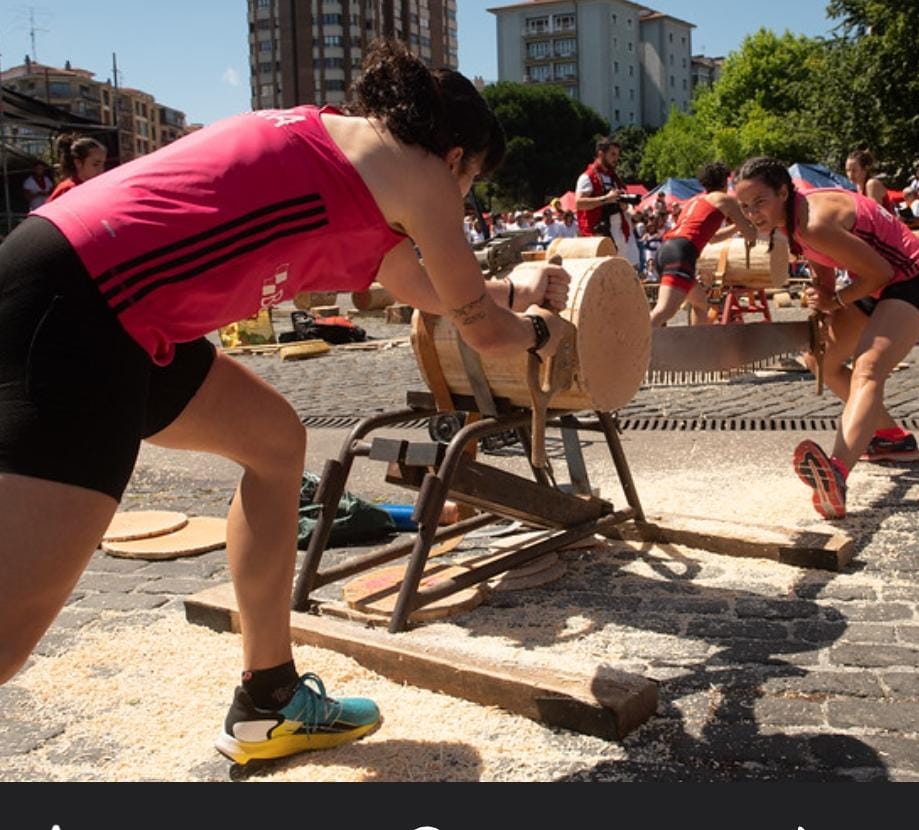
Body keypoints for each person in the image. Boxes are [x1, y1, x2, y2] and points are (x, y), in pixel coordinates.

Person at [0, 39, 571, 767]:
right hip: (85, 308)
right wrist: (543, 332)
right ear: (456, 158)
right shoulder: (423, 177)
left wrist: (505, 296)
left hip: (107, 297)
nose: (458, 201)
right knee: (9, 638)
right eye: (469, 185)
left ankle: (267, 698)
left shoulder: (349, 150)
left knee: (273, 441)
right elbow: (485, 334)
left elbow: (424, 289)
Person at [733, 157, 919, 519]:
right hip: (875, 281)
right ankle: (892, 440)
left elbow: (880, 272)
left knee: (868, 367)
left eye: (759, 203)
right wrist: (823, 300)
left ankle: (837, 472)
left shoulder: (814, 222)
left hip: (914, 280)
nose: (753, 214)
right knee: (821, 362)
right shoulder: (790, 220)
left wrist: (834, 301)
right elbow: (826, 267)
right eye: (744, 207)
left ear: (784, 193)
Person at [650, 162, 757, 327]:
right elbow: (750, 235)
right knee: (664, 311)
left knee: (700, 303)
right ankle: (628, 348)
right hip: (682, 253)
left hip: (666, 250)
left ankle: (697, 345)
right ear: (724, 182)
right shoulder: (725, 199)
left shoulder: (695, 200)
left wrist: (736, 226)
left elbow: (713, 238)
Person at [574, 137, 640, 268]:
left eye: (617, 154)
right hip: (600, 236)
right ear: (601, 153)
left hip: (621, 234)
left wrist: (623, 205)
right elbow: (579, 203)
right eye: (613, 154)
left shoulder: (614, 178)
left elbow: (621, 204)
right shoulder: (587, 177)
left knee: (629, 274)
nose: (616, 158)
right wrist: (606, 199)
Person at [48, 134, 107, 201]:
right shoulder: (67, 190)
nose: (101, 170)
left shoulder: (97, 188)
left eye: (103, 164)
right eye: (95, 164)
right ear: (78, 163)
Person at [845, 149, 892, 214]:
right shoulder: (858, 186)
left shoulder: (872, 184)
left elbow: (875, 215)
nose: (850, 175)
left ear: (865, 169)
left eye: (854, 170)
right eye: (847, 170)